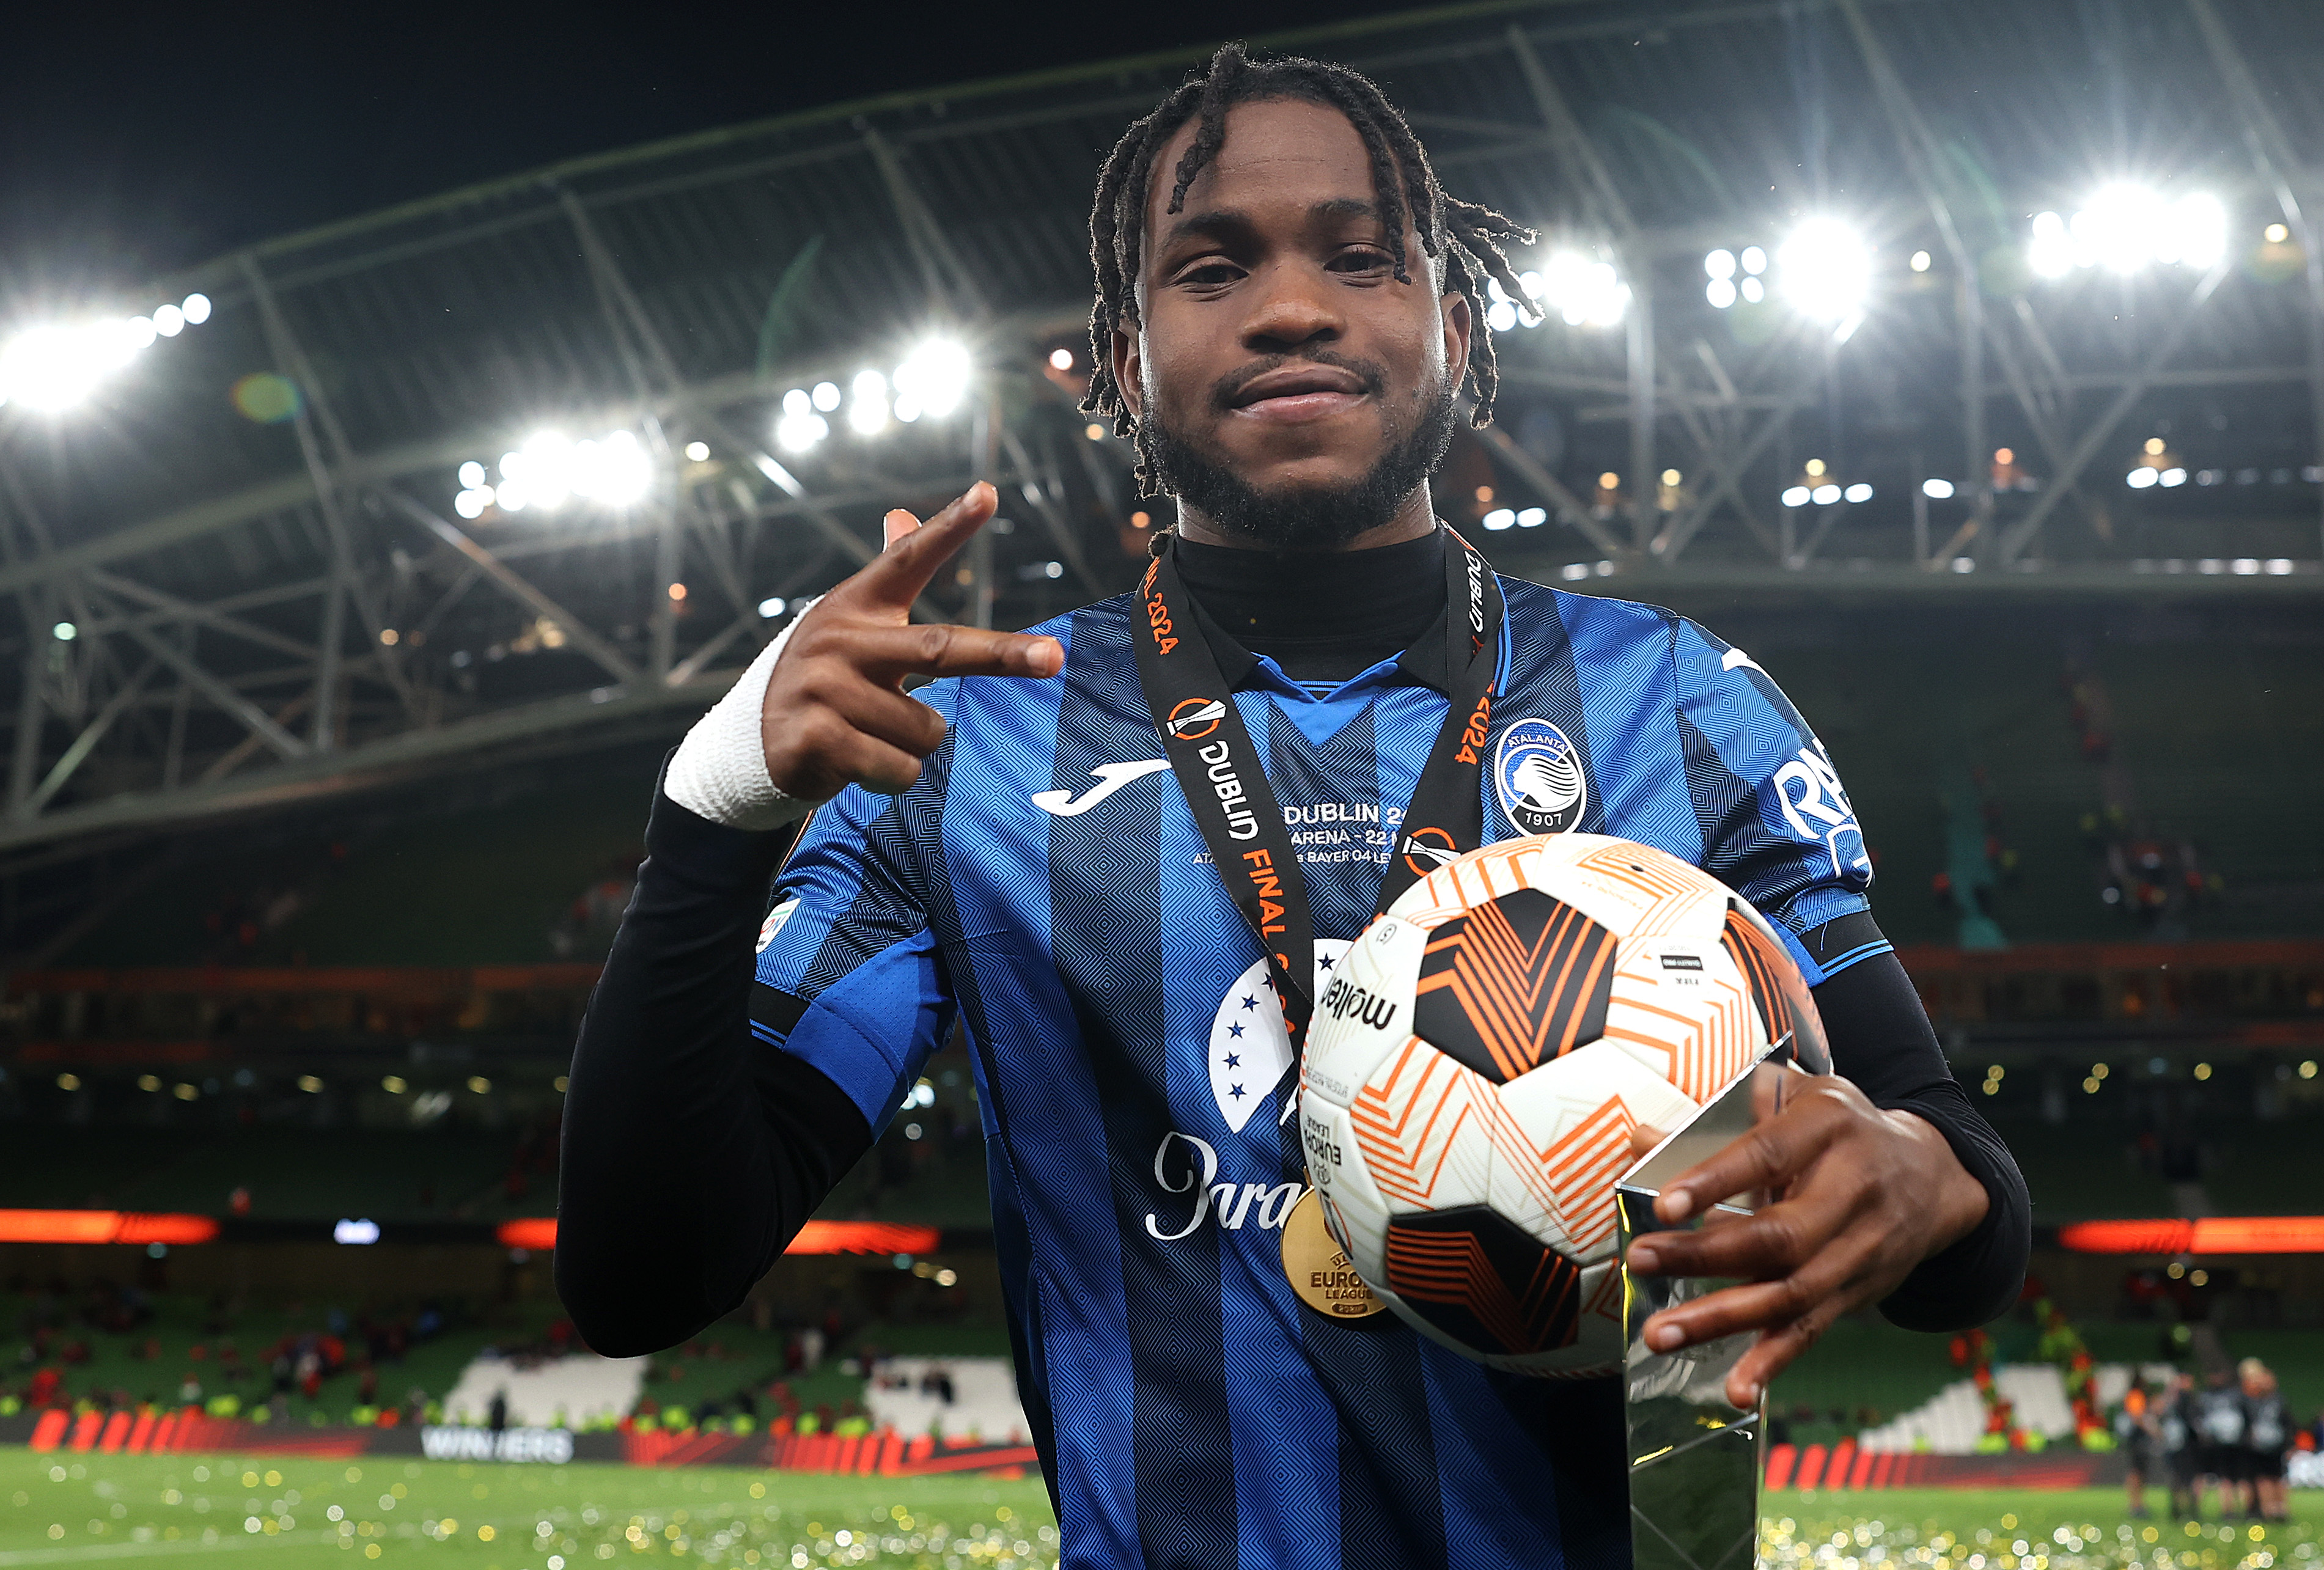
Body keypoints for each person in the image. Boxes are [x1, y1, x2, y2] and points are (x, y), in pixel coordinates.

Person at [557, 45, 2029, 1569]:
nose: (1292, 306)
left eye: (1359, 258)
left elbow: (1954, 1204)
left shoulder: (1681, 701)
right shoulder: (965, 747)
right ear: (1121, 361)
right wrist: (711, 813)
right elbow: (642, 1278)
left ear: (1453, 331)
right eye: (1210, 268)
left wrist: (1920, 1183)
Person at [2196, 1366, 2250, 1519]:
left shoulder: (2236, 1396)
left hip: (2236, 1444)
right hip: (2214, 1445)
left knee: (2240, 1478)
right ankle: (2227, 1510)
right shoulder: (2205, 1396)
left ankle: (2245, 1510)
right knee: (2221, 1477)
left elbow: (2246, 1417)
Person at [2241, 1358, 2289, 1523]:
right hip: (2257, 1447)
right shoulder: (2249, 1400)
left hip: (2275, 1446)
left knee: (2276, 1478)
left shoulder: (2277, 1400)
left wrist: (2289, 1444)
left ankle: (2280, 1511)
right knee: (2263, 1479)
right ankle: (2267, 1510)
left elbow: (2286, 1422)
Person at [2117, 1379, 2158, 1518]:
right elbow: (2137, 1417)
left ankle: (2138, 1504)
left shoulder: (2135, 1395)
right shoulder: (2136, 1396)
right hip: (2136, 1440)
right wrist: (2153, 1431)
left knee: (2140, 1474)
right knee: (2136, 1473)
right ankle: (2136, 1505)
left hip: (2138, 1440)